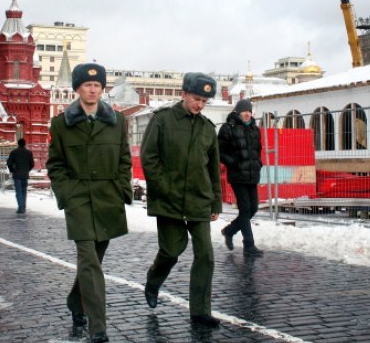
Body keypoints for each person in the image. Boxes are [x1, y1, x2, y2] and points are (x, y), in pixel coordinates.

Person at [46, 63, 132, 343]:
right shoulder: (61, 124)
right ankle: (98, 327)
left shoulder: (118, 122)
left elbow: (124, 160)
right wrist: (67, 194)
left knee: (94, 259)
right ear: (78, 89)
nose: (92, 89)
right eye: (87, 85)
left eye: (97, 85)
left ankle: (75, 300)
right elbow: (55, 164)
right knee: (89, 261)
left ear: (102, 89)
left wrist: (121, 189)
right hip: (79, 199)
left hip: (108, 199)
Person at [140, 72, 222, 328]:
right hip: (169, 201)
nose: (200, 104)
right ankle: (153, 280)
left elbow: (213, 169)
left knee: (205, 255)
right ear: (183, 94)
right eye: (197, 98)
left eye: (205, 101)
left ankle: (200, 311)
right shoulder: (162, 120)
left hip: (199, 200)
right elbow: (149, 157)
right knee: (172, 250)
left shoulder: (208, 128)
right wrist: (164, 188)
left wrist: (215, 202)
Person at [218, 99, 264, 256]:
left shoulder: (254, 129)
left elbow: (258, 150)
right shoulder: (228, 128)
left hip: (252, 174)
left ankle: (229, 231)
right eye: (245, 111)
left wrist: (258, 163)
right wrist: (234, 163)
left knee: (253, 208)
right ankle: (249, 245)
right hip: (237, 175)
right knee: (245, 210)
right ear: (238, 112)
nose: (247, 114)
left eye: (250, 111)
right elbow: (219, 151)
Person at [7, 137, 35, 214]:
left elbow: (9, 163)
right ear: (25, 144)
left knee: (18, 192)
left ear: (18, 144)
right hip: (25, 175)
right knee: (24, 192)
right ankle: (23, 207)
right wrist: (27, 170)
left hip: (17, 176)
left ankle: (21, 208)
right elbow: (32, 164)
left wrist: (13, 170)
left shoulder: (14, 152)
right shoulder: (29, 152)